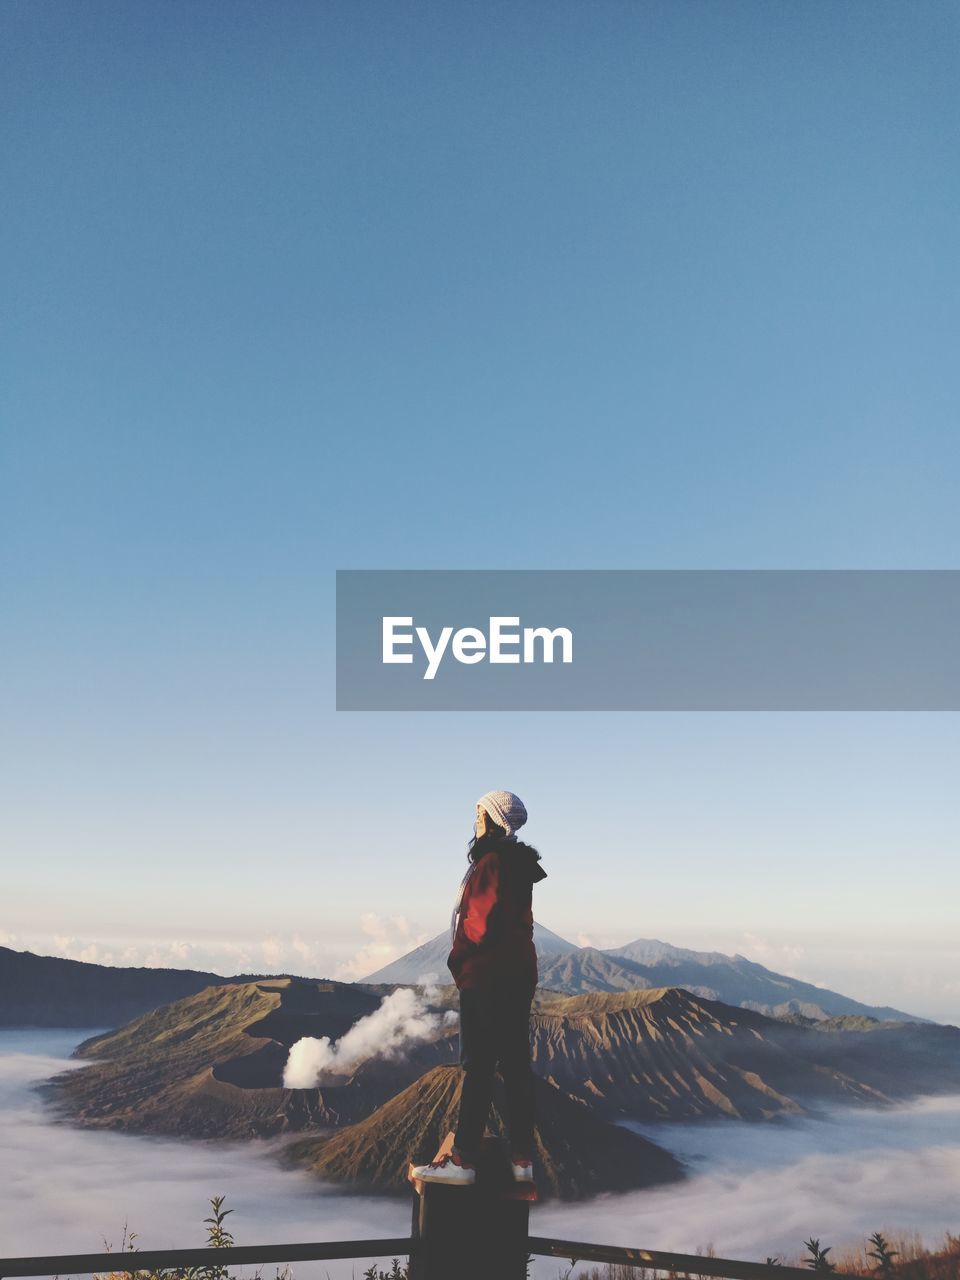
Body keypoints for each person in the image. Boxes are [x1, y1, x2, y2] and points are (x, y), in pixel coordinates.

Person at [411, 790, 547, 1186]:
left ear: (493, 820)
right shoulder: (519, 865)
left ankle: (463, 1161)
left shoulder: (491, 864)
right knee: (516, 1066)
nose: (474, 818)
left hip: (488, 978)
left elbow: (480, 925)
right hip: (517, 976)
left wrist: (462, 964)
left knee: (479, 1068)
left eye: (479, 812)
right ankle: (522, 1160)